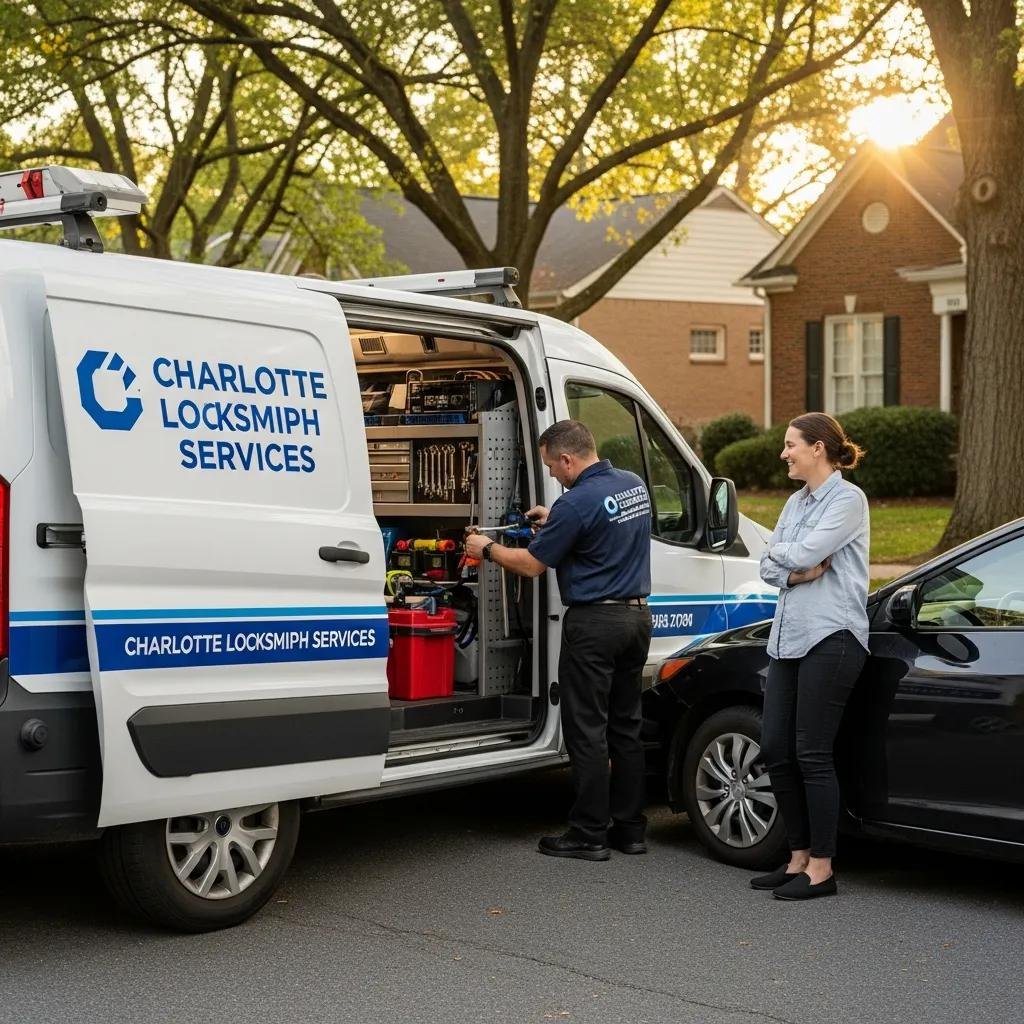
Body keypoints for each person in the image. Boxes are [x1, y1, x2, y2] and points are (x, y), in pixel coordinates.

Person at [463, 419, 653, 862]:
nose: (551, 474)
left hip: (595, 624)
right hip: (636, 619)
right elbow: (600, 526)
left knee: (586, 730)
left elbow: (530, 565)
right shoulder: (632, 485)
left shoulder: (575, 503)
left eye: (552, 466)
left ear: (568, 458)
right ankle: (631, 830)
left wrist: (485, 549)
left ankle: (588, 833)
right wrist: (557, 522)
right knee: (626, 727)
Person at [753, 412, 869, 901]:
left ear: (817, 448)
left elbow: (801, 553)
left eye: (790, 445)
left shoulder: (848, 500)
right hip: (787, 638)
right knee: (776, 749)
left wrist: (792, 560)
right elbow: (770, 564)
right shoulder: (795, 502)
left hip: (832, 636)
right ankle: (797, 857)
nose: (784, 453)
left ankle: (822, 868)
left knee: (812, 754)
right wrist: (796, 572)